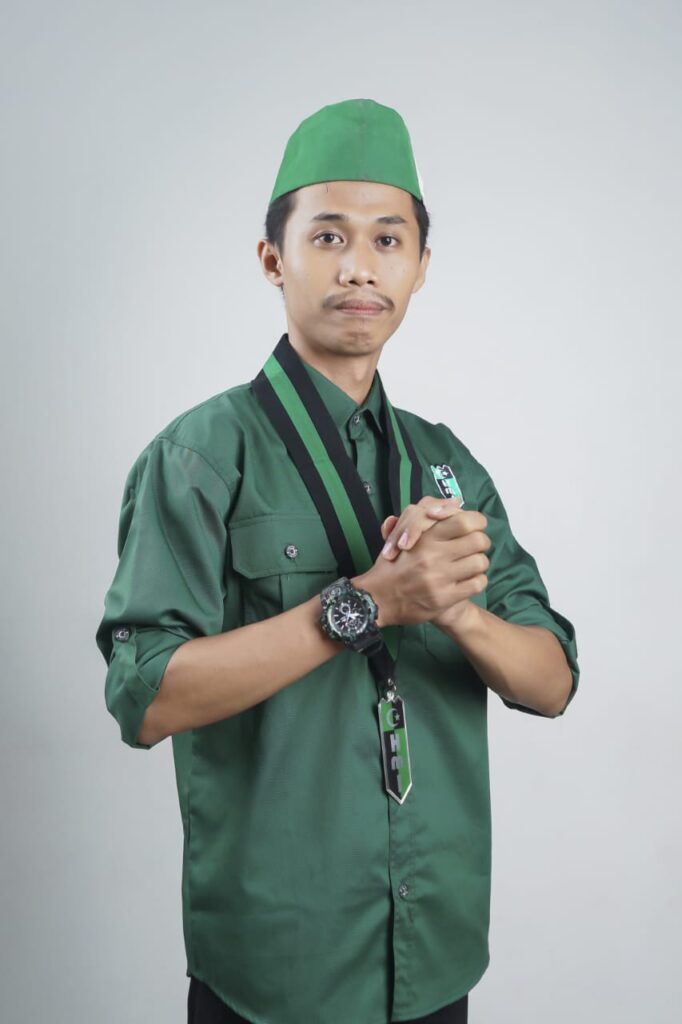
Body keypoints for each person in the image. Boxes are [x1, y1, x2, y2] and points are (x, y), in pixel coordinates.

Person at [95, 98, 580, 1024]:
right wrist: (366, 603)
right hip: (277, 966)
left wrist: (457, 611)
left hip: (433, 953)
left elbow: (551, 682)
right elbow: (143, 697)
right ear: (272, 259)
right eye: (328, 236)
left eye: (388, 239)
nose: (360, 265)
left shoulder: (448, 466)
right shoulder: (200, 457)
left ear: (422, 266)